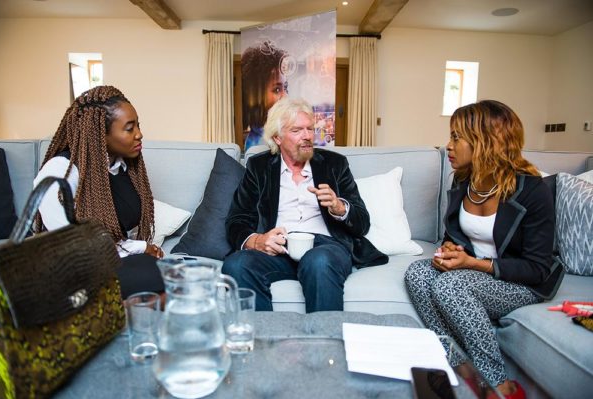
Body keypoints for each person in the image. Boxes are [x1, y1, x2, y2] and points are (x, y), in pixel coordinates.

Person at [404, 100, 563, 399]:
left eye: (456, 137)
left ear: (484, 142)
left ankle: (498, 385)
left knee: (450, 286)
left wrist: (473, 264)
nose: (448, 145)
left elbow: (538, 267)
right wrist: (453, 250)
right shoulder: (464, 180)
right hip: (476, 272)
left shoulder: (532, 190)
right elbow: (462, 236)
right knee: (417, 274)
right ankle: (462, 368)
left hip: (521, 281)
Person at [222, 97, 387, 312]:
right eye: (297, 130)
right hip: (280, 249)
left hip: (326, 247)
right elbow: (237, 219)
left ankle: (324, 343)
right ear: (277, 138)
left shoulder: (334, 164)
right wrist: (257, 241)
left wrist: (339, 207)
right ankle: (264, 340)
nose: (308, 136)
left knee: (318, 261)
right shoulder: (259, 166)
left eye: (310, 129)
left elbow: (362, 223)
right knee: (236, 264)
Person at [34, 85, 164, 299]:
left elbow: (115, 232)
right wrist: (140, 248)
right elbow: (74, 243)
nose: (139, 134)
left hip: (108, 262)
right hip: (74, 268)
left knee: (165, 274)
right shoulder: (61, 170)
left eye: (138, 125)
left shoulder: (122, 166)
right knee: (157, 280)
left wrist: (142, 250)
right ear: (100, 135)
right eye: (129, 128)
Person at [241, 41, 288, 152]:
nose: (285, 97)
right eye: (277, 89)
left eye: (285, 88)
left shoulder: (275, 135)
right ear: (257, 95)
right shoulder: (259, 146)